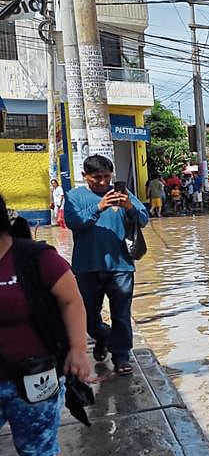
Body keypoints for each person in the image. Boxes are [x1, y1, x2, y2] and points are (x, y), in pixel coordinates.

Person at [0, 192, 92, 456]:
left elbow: (73, 301)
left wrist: (77, 350)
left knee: (38, 449)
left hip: (31, 377)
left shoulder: (35, 259)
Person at [64, 155, 149, 377]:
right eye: (97, 178)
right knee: (89, 318)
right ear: (85, 176)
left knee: (121, 314)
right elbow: (73, 223)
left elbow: (144, 219)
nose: (103, 182)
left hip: (121, 266)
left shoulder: (123, 194)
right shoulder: (74, 196)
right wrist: (99, 207)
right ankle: (102, 337)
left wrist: (129, 206)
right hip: (86, 267)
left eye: (107, 177)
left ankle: (121, 356)